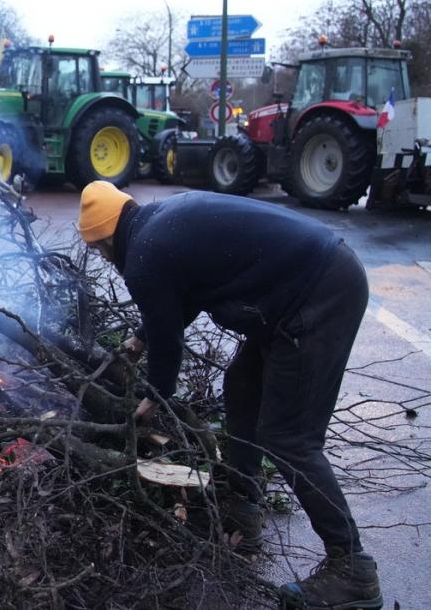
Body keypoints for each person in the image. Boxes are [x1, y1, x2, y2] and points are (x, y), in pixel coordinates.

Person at [77, 181, 382, 610]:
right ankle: (242, 505)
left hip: (318, 295)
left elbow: (170, 341)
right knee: (240, 386)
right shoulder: (156, 226)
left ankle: (352, 567)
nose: (105, 259)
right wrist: (138, 339)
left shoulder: (142, 256)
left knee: (290, 438)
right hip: (311, 283)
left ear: (106, 240)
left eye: (100, 250)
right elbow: (178, 299)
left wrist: (153, 399)